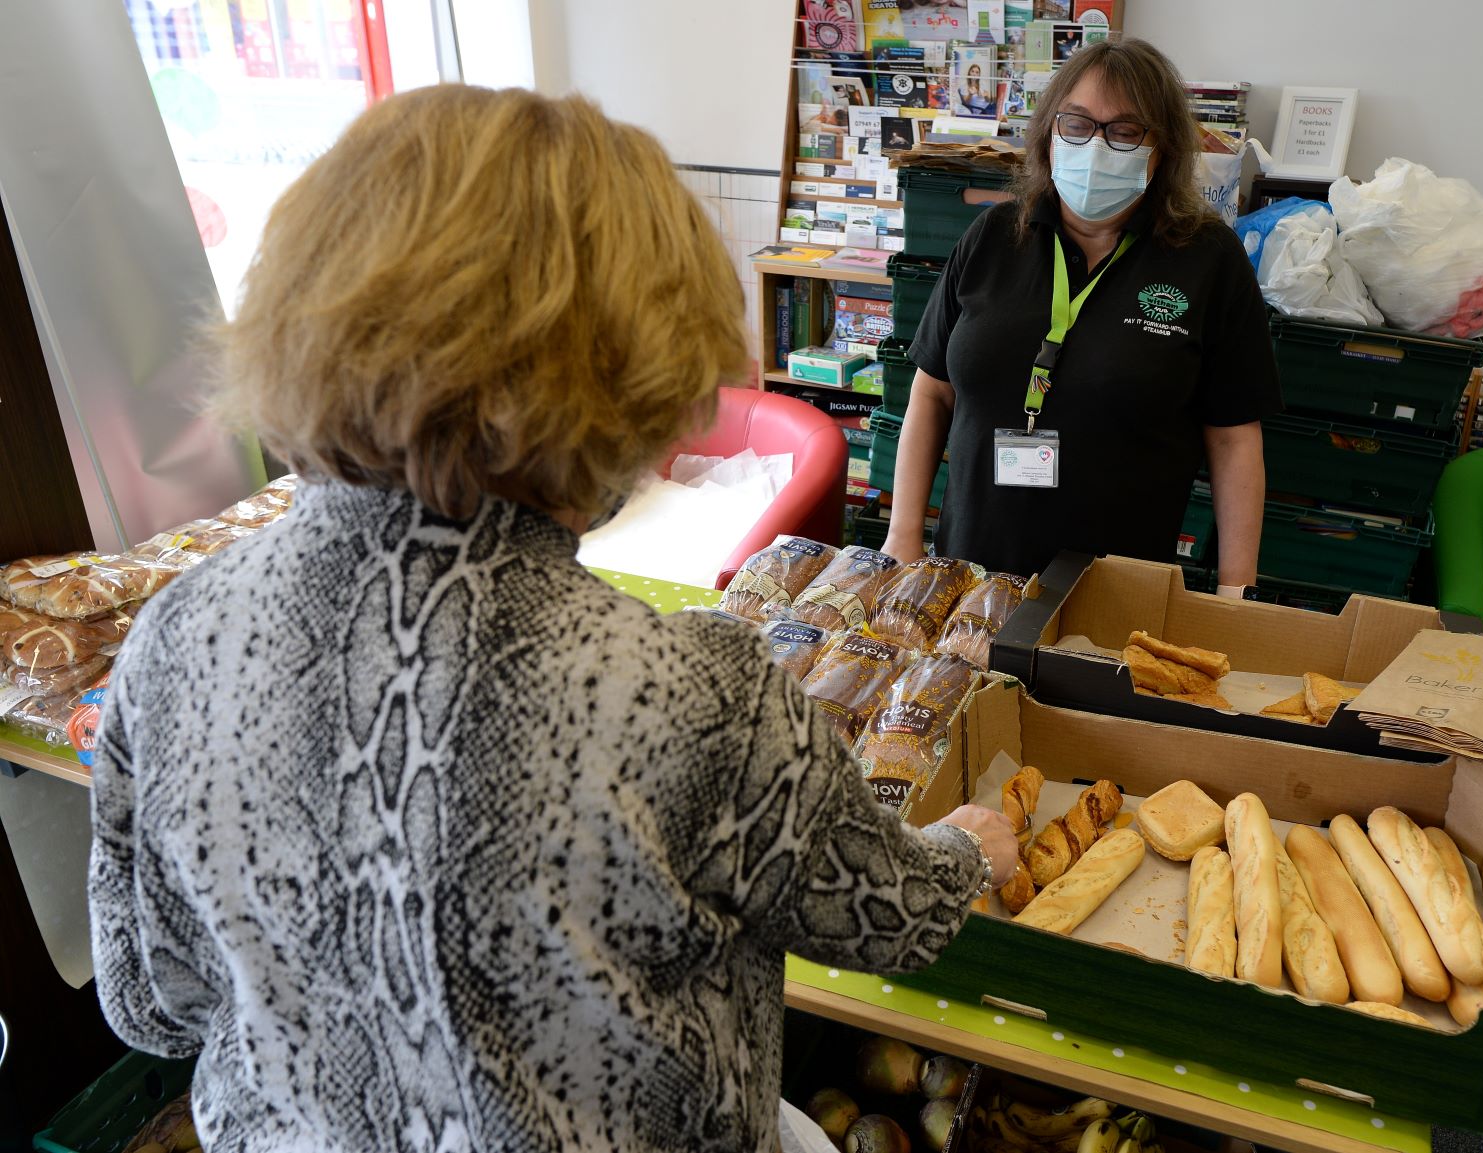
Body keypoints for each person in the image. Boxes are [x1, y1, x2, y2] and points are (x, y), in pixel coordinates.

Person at [87, 85, 1017, 1153]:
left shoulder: (174, 636)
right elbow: (886, 917)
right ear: (624, 374)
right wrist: (963, 849)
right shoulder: (691, 695)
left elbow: (149, 1003)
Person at [886, 39, 1281, 592]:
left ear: (1162, 148)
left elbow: (1234, 437)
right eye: (1076, 124)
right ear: (1048, 134)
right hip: (970, 577)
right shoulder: (994, 238)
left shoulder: (1207, 259)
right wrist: (904, 533)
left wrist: (1238, 592)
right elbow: (932, 394)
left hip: (1117, 591)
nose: (1096, 145)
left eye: (1124, 131)